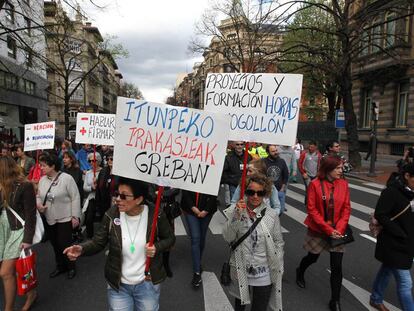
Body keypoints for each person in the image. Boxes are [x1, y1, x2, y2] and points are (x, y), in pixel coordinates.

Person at [64, 177, 175, 311]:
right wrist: (82, 249)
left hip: (147, 283)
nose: (117, 199)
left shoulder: (155, 215)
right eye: (116, 194)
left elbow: (169, 238)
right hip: (118, 284)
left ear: (139, 199)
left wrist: (157, 247)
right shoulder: (112, 215)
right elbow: (98, 242)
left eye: (123, 196)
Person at [295, 155, 351, 311]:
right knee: (312, 257)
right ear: (328, 169)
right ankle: (300, 271)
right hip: (318, 229)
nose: (341, 170)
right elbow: (312, 210)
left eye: (341, 167)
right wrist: (328, 230)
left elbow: (346, 208)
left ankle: (335, 301)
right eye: (338, 168)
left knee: (337, 266)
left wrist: (338, 229)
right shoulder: (314, 184)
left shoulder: (344, 184)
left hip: (338, 231)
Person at [223, 173, 284, 311]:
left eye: (260, 193)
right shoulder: (236, 210)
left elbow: (278, 242)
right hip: (241, 270)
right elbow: (228, 236)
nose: (255, 196)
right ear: (245, 191)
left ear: (266, 193)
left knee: (259, 308)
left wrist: (278, 264)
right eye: (251, 192)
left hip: (264, 273)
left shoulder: (271, 215)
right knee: (240, 306)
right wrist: (237, 215)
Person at [369, 163, 414, 311]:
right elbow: (381, 214)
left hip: (406, 242)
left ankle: (376, 298)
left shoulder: (411, 192)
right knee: (405, 283)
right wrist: (400, 233)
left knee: (387, 269)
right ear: (407, 176)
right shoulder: (391, 191)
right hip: (393, 242)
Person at [0, 156, 37, 311]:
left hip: (18, 230)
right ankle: (32, 293)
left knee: (5, 272)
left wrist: (28, 239)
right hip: (3, 229)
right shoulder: (2, 186)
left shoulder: (25, 186)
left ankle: (8, 309)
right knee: (18, 269)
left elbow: (31, 214)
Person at [37, 152, 81, 279]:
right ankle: (60, 266)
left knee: (65, 243)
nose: (41, 168)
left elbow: (75, 197)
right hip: (49, 217)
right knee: (55, 244)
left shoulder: (67, 178)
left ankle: (71, 266)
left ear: (52, 166)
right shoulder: (42, 180)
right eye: (41, 165)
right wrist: (39, 204)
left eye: (44, 165)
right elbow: (38, 196)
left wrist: (75, 216)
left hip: (65, 216)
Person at [181, 190, 217, 288]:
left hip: (207, 210)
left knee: (201, 237)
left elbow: (214, 192)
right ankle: (197, 272)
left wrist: (206, 210)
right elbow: (185, 190)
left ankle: (198, 260)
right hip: (190, 210)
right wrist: (193, 207)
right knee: (195, 238)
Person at [82, 152, 103, 238]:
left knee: (103, 218)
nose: (91, 162)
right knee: (89, 219)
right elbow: (85, 187)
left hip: (102, 198)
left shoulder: (103, 171)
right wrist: (92, 187)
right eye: (90, 161)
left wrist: (98, 184)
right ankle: (90, 237)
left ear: (98, 161)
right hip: (92, 197)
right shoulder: (88, 173)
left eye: (94, 160)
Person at [264, 145, 289, 214]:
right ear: (268, 152)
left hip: (279, 190)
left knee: (280, 210)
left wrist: (282, 188)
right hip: (267, 192)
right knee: (268, 211)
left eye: (276, 150)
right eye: (273, 151)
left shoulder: (281, 161)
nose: (276, 152)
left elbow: (286, 175)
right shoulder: (263, 161)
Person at [95, 152, 118, 219]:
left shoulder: (120, 173)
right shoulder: (103, 171)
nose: (109, 161)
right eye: (107, 159)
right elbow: (98, 189)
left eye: (112, 159)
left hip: (115, 203)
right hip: (103, 202)